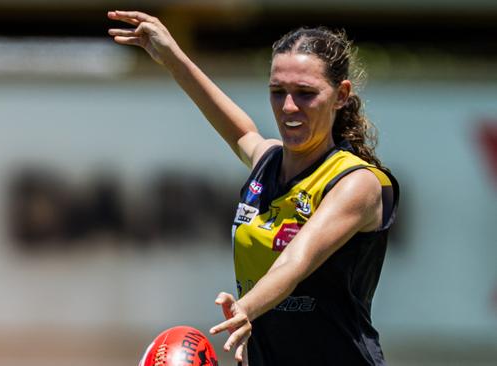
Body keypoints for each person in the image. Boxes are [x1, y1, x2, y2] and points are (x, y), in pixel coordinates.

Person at [108, 10, 399, 366]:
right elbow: (241, 130)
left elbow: (295, 259)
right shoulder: (268, 162)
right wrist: (172, 57)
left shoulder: (358, 183)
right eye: (278, 92)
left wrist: (246, 308)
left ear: (341, 95)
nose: (289, 107)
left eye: (305, 93)